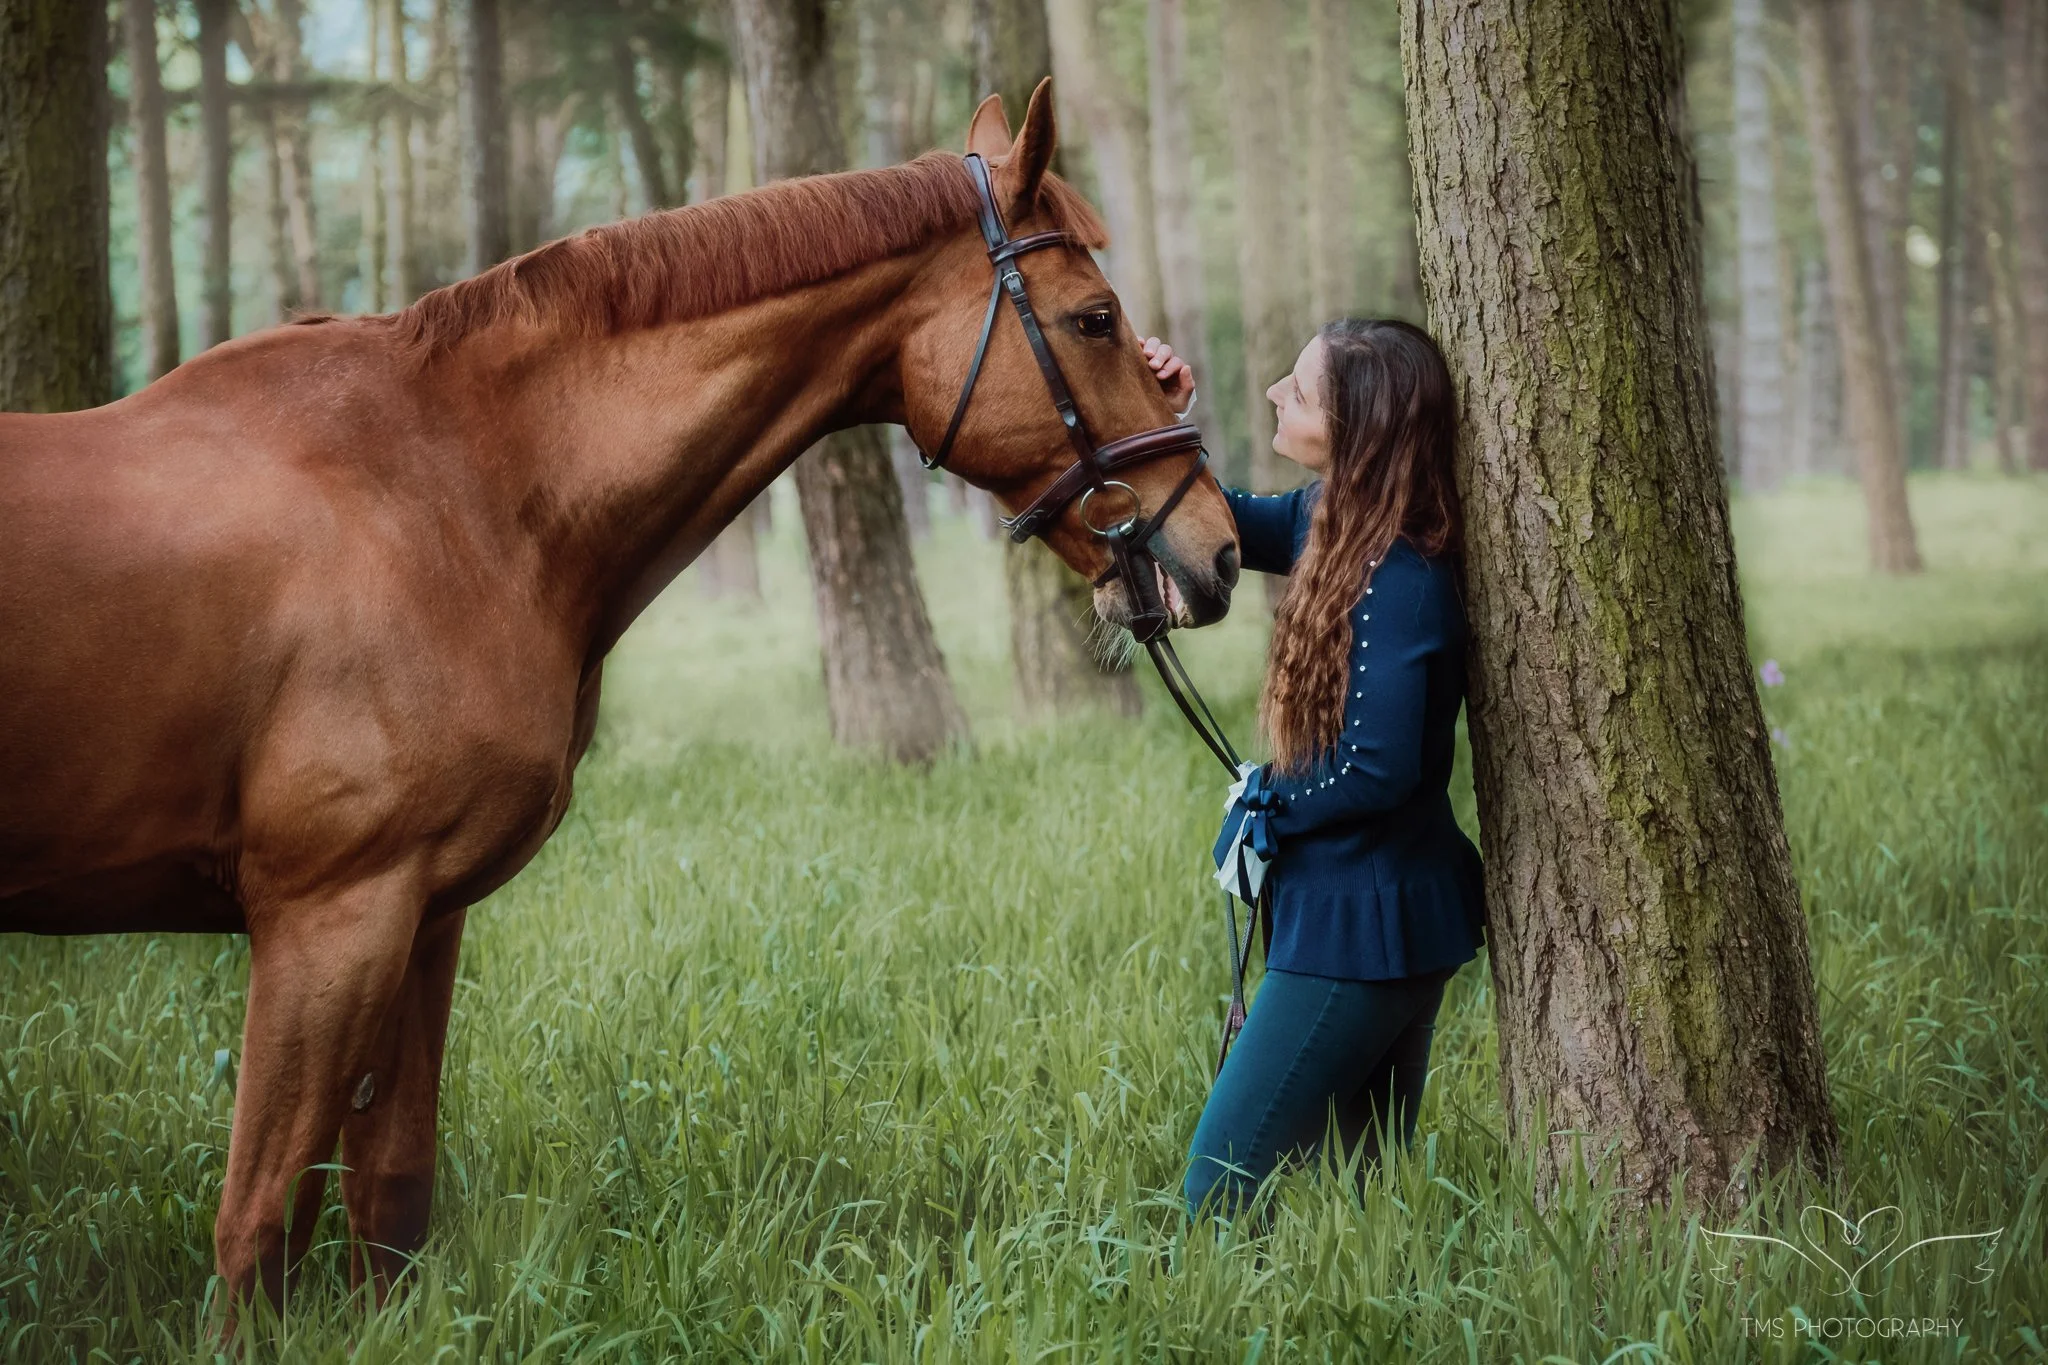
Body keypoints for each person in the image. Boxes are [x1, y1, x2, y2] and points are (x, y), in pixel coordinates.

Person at [1141, 319, 1486, 1221]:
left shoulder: (1401, 575)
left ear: (1357, 427)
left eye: (1297, 391)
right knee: (1370, 1194)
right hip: (1369, 914)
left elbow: (1378, 769)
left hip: (1363, 931)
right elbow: (1217, 516)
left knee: (1216, 1189)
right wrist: (1161, 417)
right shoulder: (1332, 521)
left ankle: (1200, 1324)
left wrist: (1265, 799)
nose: (1273, 397)